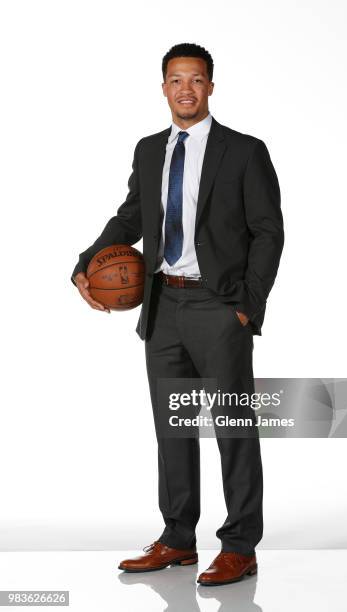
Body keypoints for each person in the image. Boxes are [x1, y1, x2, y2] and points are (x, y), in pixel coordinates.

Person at [72, 42, 284, 586]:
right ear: (163, 87)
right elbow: (131, 217)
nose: (185, 89)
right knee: (174, 426)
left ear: (211, 86)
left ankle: (240, 545)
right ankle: (177, 539)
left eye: (195, 79)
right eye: (175, 80)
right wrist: (83, 263)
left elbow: (268, 232)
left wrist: (246, 306)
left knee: (233, 424)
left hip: (219, 306)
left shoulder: (244, 151)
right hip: (162, 304)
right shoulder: (148, 151)